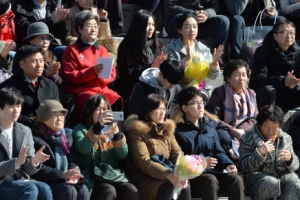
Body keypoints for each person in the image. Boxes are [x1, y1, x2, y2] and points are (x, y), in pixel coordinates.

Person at [170, 87, 244, 199]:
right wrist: (202, 163)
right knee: (210, 180)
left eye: (201, 102)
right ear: (184, 108)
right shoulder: (178, 131)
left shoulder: (209, 127)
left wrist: (228, 164)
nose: (200, 106)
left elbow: (218, 151)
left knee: (236, 180)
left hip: (213, 172)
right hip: (192, 177)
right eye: (195, 103)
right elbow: (179, 159)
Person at [124, 94, 191, 200]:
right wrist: (167, 174)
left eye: (164, 109)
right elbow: (143, 161)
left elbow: (176, 153)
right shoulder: (137, 132)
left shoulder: (167, 131)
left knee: (184, 186)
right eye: (159, 109)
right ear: (148, 110)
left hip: (164, 176)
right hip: (143, 178)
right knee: (168, 186)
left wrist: (182, 174)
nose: (162, 113)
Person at [72, 94, 139, 200]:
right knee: (108, 190)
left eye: (105, 109)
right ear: (90, 112)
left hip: (112, 175)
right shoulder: (80, 129)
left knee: (131, 190)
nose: (102, 112)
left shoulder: (111, 128)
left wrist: (117, 136)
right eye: (98, 109)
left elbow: (122, 155)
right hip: (92, 177)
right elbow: (82, 149)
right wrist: (97, 127)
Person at [61, 10, 122, 123]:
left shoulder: (102, 49)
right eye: (89, 26)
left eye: (95, 26)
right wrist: (92, 72)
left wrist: (105, 73)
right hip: (80, 90)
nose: (93, 29)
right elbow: (69, 75)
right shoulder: (71, 50)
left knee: (115, 98)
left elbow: (111, 74)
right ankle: (92, 131)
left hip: (100, 88)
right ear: (79, 29)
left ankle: (113, 133)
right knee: (93, 100)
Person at [30, 100, 90, 200]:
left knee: (83, 190)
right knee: (68, 191)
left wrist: (74, 171)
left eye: (62, 115)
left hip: (66, 179)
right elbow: (38, 169)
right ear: (43, 119)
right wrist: (61, 174)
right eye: (55, 115)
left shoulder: (67, 138)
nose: (60, 118)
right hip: (46, 180)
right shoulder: (35, 139)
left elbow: (73, 159)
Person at [0, 87, 52, 200]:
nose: (16, 111)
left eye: (18, 106)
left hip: (19, 180)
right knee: (29, 189)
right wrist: (16, 163)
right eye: (11, 106)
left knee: (44, 188)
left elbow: (27, 169)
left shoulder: (24, 131)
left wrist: (34, 161)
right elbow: (17, 164)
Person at [239, 105, 300, 199]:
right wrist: (258, 153)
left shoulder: (286, 138)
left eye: (275, 127)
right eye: (266, 127)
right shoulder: (247, 139)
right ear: (260, 124)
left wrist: (290, 159)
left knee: (294, 182)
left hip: (281, 175)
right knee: (270, 183)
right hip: (256, 178)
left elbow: (295, 166)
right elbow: (244, 167)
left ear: (279, 125)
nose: (271, 131)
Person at [206, 59, 258, 161]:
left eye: (244, 75)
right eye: (237, 75)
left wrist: (242, 130)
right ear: (228, 78)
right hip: (226, 130)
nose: (242, 78)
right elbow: (213, 118)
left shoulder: (251, 93)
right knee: (222, 136)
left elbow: (255, 117)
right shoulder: (220, 93)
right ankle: (231, 161)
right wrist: (232, 130)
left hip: (246, 131)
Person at [0, 45, 60, 128]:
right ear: (22, 64)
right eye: (34, 62)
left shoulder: (50, 85)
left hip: (49, 127)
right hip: (20, 128)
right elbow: (6, 112)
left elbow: (58, 109)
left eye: (41, 61)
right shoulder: (8, 87)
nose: (39, 65)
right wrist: (32, 122)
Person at [167, 13, 222, 100]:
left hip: (200, 89)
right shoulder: (172, 48)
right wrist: (186, 59)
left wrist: (214, 63)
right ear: (179, 29)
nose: (192, 30)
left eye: (195, 26)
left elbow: (212, 76)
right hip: (179, 89)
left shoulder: (204, 49)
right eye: (187, 27)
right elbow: (171, 73)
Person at [249, 20, 300, 112]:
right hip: (263, 96)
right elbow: (258, 79)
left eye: (292, 33)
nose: (289, 36)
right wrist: (283, 80)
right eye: (284, 32)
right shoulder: (262, 51)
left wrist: (294, 84)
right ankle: (263, 123)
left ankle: (296, 124)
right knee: (269, 90)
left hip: (286, 94)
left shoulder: (298, 52)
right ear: (275, 35)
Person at [116, 9, 166, 101]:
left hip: (156, 84)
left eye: (153, 24)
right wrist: (151, 67)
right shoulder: (127, 46)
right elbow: (128, 73)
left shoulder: (159, 46)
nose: (151, 28)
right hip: (134, 86)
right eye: (148, 24)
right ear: (139, 25)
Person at [164, 0, 229, 53]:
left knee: (223, 21)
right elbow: (170, 7)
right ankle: (179, 53)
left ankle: (216, 58)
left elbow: (215, 7)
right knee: (181, 19)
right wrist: (192, 14)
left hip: (201, 21)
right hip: (179, 20)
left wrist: (206, 14)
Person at [12, 22, 62, 87]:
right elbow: (19, 77)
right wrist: (45, 73)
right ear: (31, 40)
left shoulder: (51, 55)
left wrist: (53, 76)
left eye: (48, 39)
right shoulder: (22, 55)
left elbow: (58, 83)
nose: (45, 42)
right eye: (42, 38)